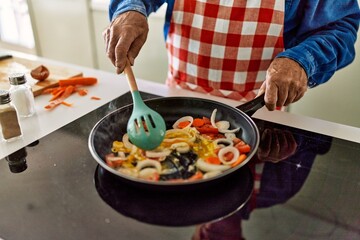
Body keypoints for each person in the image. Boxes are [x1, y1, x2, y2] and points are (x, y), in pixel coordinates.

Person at [103, 1, 360, 111]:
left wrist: (302, 61)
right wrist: (131, 9)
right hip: (178, 98)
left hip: (262, 112)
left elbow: (339, 27)